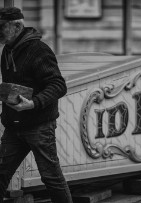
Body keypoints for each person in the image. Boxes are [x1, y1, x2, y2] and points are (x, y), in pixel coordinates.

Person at [0, 7, 73, 203]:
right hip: (13, 126)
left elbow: (58, 85)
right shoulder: (7, 50)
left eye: (1, 27)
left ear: (17, 26)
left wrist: (32, 104)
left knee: (51, 177)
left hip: (39, 126)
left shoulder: (39, 50)